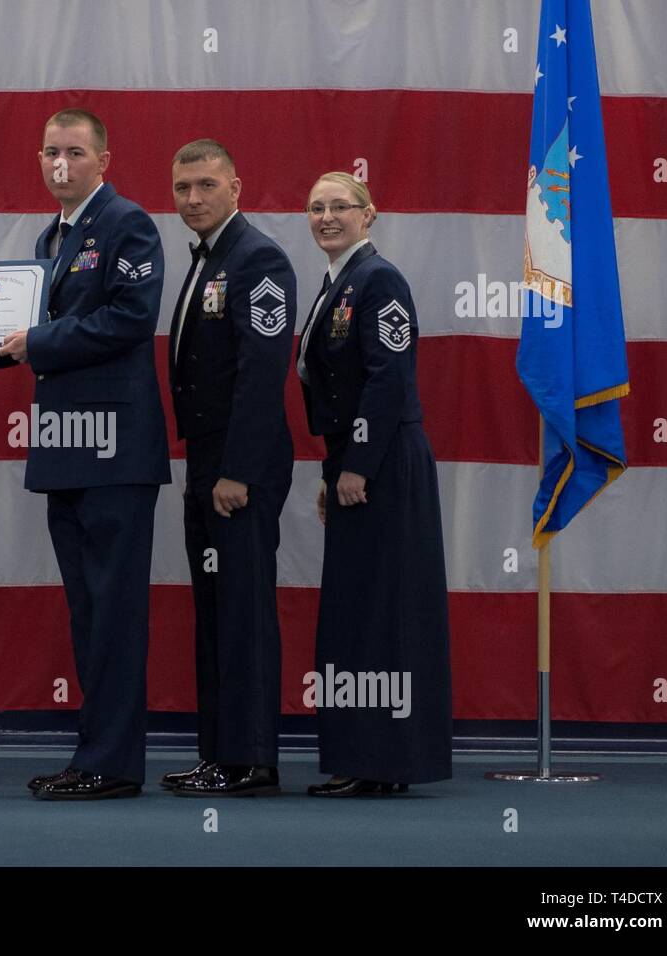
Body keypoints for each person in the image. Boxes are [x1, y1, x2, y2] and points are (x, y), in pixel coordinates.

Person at [0, 109, 170, 799]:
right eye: (50, 150)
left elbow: (130, 318)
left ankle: (110, 765)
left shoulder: (127, 224)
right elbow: (26, 333)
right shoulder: (50, 237)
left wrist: (38, 343)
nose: (60, 163)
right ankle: (96, 757)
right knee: (88, 612)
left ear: (103, 160)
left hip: (114, 450)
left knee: (113, 613)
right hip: (65, 449)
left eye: (74, 152)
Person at [296, 171, 452, 796]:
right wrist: (335, 466)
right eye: (315, 208)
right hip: (357, 459)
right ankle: (366, 756)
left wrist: (357, 463)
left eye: (340, 206)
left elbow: (389, 375)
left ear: (370, 214)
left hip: (386, 462)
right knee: (358, 611)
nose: (327, 216)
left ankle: (385, 760)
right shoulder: (337, 282)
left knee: (385, 610)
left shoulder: (378, 279)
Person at [161, 140, 295, 797]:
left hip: (240, 464)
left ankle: (249, 760)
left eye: (206, 185)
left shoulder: (257, 258)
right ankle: (221, 753)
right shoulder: (210, 257)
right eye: (182, 187)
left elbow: (263, 372)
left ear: (236, 186)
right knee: (216, 609)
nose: (192, 198)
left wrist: (237, 470)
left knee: (240, 609)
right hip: (209, 459)